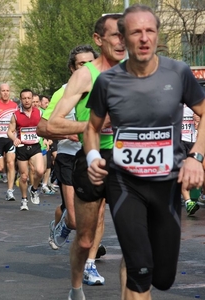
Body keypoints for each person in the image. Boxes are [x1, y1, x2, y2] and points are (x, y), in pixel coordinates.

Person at [84, 5, 205, 300]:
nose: (143, 38)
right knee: (139, 269)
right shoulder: (107, 81)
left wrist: (196, 157)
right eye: (136, 31)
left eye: (149, 30)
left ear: (157, 35)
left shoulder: (178, 73)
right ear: (123, 38)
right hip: (125, 182)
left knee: (162, 276)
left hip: (167, 183)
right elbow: (91, 128)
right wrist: (92, 158)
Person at [46, 13, 126, 299]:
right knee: (84, 236)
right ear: (98, 39)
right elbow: (49, 124)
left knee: (133, 238)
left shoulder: (139, 71)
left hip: (129, 159)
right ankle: (76, 287)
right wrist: (90, 125)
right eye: (116, 35)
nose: (122, 41)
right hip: (90, 155)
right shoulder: (84, 76)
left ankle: (108, 276)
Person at [37, 44, 98, 252]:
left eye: (91, 63)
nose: (87, 68)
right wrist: (69, 133)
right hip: (68, 156)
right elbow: (41, 128)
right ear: (72, 68)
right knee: (73, 218)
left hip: (94, 156)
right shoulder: (62, 93)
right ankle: (62, 224)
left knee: (94, 211)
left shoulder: (105, 88)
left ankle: (91, 254)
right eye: (82, 64)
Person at [8, 89, 44, 211]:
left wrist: (47, 139)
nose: (27, 100)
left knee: (40, 171)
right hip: (22, 147)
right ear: (21, 99)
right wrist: (14, 138)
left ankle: (34, 189)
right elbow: (9, 131)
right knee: (24, 176)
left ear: (32, 99)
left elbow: (44, 128)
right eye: (24, 98)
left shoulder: (39, 113)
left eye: (29, 98)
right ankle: (24, 199)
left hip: (35, 146)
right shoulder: (16, 115)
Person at [0, 83, 18, 201]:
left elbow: (17, 121)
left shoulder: (15, 105)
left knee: (11, 163)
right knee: (0, 167)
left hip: (10, 138)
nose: (5, 93)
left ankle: (10, 191)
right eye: (3, 91)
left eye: (7, 90)